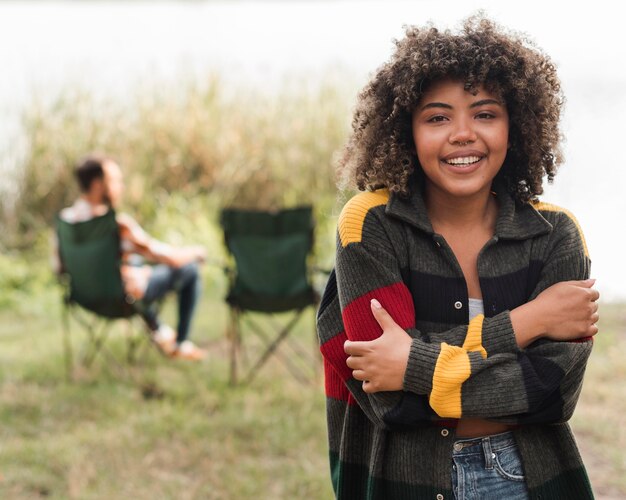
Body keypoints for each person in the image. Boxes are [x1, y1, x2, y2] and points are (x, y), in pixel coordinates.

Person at [317, 15, 599, 500]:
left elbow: (552, 393)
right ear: (406, 129)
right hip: (402, 481)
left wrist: (412, 365)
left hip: (528, 479)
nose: (463, 134)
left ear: (517, 125)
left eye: (485, 114)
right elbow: (387, 401)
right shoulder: (369, 225)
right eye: (438, 117)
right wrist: (528, 322)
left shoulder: (556, 236)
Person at [57, 154, 208, 361]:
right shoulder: (115, 226)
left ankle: (160, 330)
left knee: (131, 261)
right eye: (116, 181)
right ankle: (180, 345)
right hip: (120, 300)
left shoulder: (64, 223)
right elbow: (171, 258)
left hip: (85, 299)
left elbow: (59, 268)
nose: (121, 187)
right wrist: (196, 252)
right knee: (189, 268)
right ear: (97, 184)